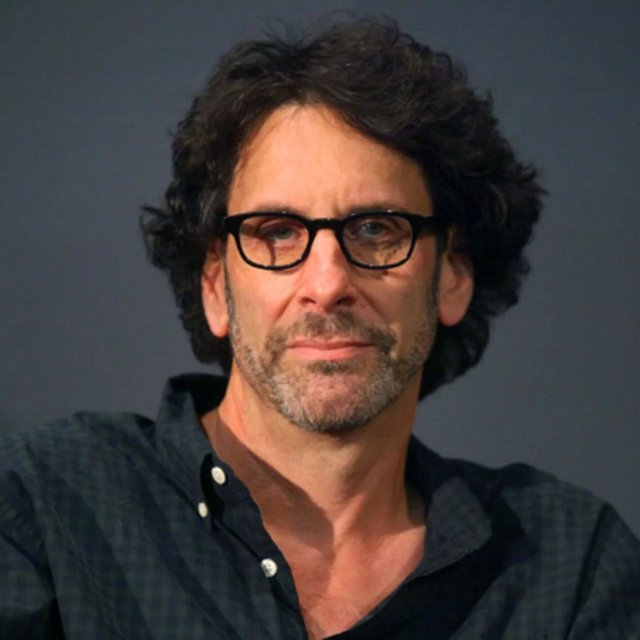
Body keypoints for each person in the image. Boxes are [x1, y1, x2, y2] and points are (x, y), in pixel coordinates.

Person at [1, 17, 639, 640]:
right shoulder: (47, 509)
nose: (328, 283)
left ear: (452, 274)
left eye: (376, 229)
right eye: (278, 233)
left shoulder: (568, 567)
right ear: (215, 284)